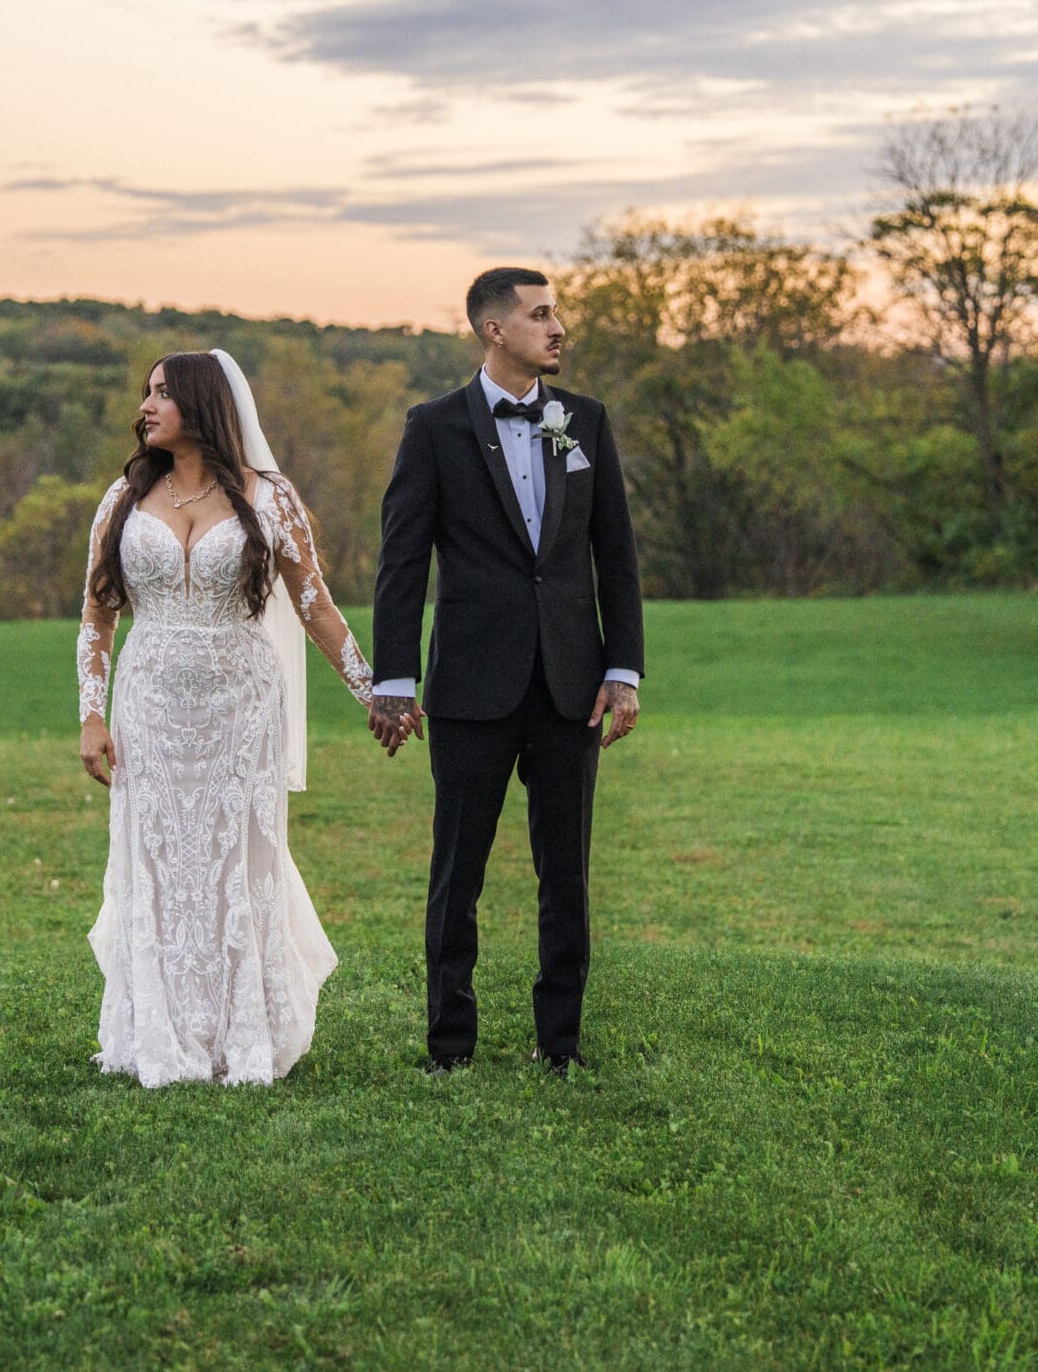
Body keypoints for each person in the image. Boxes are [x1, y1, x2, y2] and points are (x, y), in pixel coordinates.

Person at [368, 266, 645, 1076]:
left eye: (556, 314)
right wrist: (395, 681)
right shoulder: (433, 427)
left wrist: (623, 669)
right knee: (458, 872)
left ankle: (560, 1044)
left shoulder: (584, 421)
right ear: (495, 329)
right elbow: (402, 562)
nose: (558, 329)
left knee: (567, 874)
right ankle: (449, 1044)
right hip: (469, 687)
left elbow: (616, 555)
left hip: (571, 685)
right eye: (540, 315)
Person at [75, 349, 375, 1087]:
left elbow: (315, 606)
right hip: (148, 705)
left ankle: (241, 1031)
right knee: (158, 861)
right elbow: (97, 615)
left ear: (202, 405)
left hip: (242, 708)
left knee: (236, 860)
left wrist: (375, 694)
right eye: (146, 393)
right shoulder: (124, 498)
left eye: (162, 394)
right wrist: (91, 715)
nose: (146, 407)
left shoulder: (268, 497)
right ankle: (160, 1032)